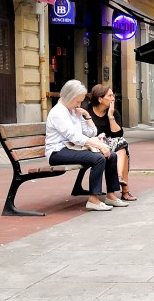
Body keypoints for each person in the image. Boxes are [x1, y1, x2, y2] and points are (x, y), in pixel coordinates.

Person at [45, 79, 127, 211]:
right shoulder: (58, 113)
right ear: (69, 97)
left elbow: (90, 132)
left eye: (81, 101)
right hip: (57, 152)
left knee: (111, 155)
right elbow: (74, 136)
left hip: (72, 148)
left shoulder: (73, 110)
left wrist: (87, 116)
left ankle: (111, 195)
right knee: (99, 158)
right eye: (77, 101)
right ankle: (93, 199)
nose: (79, 104)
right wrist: (100, 146)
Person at [87, 83, 137, 200]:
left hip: (110, 144)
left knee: (122, 145)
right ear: (100, 99)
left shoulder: (114, 112)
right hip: (93, 144)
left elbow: (118, 134)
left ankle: (119, 177)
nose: (113, 99)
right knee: (123, 147)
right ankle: (124, 189)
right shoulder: (87, 111)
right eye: (110, 96)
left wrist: (110, 116)